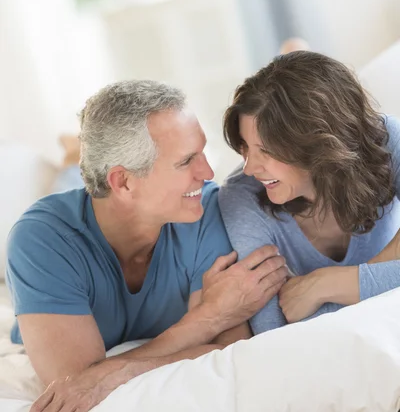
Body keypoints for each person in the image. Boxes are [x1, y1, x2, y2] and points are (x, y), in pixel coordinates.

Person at [6, 80, 288, 412]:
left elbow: (228, 346)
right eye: (186, 161)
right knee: (77, 185)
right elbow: (79, 384)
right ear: (124, 181)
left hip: (115, 194)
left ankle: (74, 159)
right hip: (94, 203)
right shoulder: (41, 240)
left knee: (96, 188)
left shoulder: (206, 210)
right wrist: (209, 315)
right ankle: (72, 159)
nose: (209, 173)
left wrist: (123, 368)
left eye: (203, 152)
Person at [219, 51, 400, 335]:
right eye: (245, 147)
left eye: (265, 150)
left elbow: (300, 313)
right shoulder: (241, 200)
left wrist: (328, 284)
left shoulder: (385, 139)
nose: (251, 167)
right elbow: (274, 330)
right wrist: (382, 276)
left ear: (316, 143)